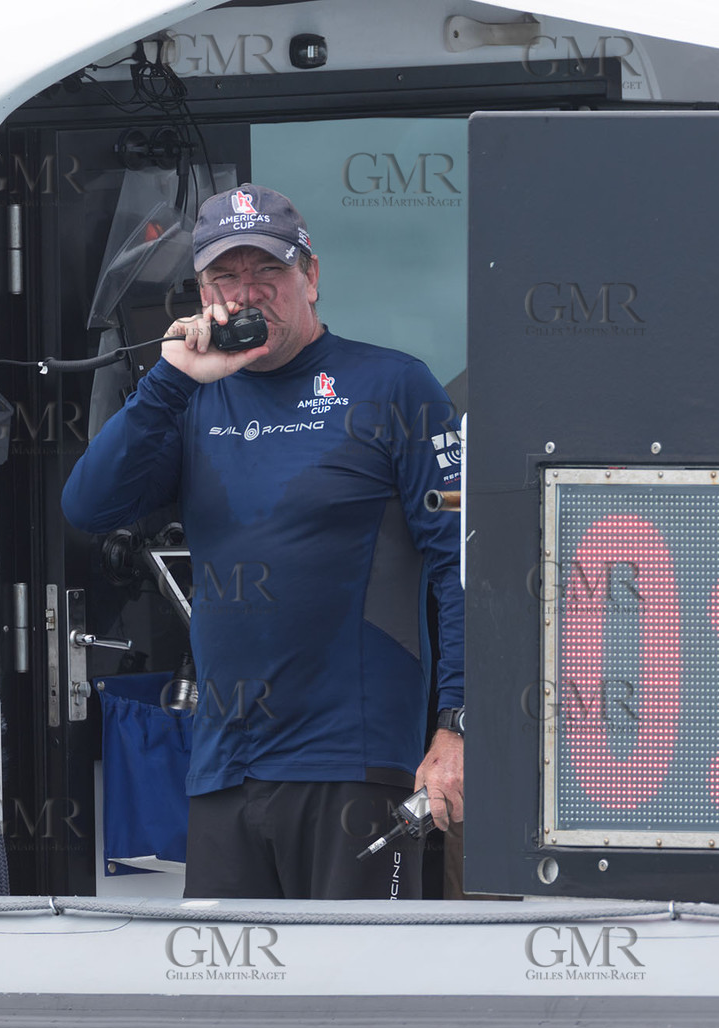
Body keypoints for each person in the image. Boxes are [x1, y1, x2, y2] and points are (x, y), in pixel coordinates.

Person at [62, 183, 463, 899]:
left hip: (354, 766)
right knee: (228, 998)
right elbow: (88, 506)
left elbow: (460, 567)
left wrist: (456, 727)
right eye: (226, 278)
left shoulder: (395, 386)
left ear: (310, 276)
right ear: (203, 291)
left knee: (356, 990)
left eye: (268, 273)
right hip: (225, 768)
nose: (248, 295)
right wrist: (170, 381)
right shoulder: (191, 398)